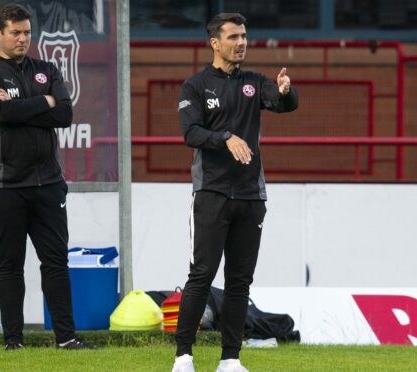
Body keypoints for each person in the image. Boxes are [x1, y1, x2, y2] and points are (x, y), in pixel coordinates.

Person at [173, 13, 298, 372]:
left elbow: (282, 102)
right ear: (215, 42)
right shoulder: (194, 86)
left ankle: (230, 358)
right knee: (202, 274)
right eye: (233, 37)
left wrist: (287, 92)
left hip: (250, 196)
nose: (241, 42)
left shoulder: (255, 82)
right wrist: (225, 138)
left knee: (240, 280)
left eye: (244, 36)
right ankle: (184, 356)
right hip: (211, 193)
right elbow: (191, 133)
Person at [0, 4, 94, 350]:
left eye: (26, 32)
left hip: (49, 184)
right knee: (11, 265)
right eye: (15, 33)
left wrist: (24, 105)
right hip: (4, 185)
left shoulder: (46, 68)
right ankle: (13, 342)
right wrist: (44, 102)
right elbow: (0, 112)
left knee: (55, 262)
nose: (23, 38)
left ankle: (66, 339)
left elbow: (65, 114)